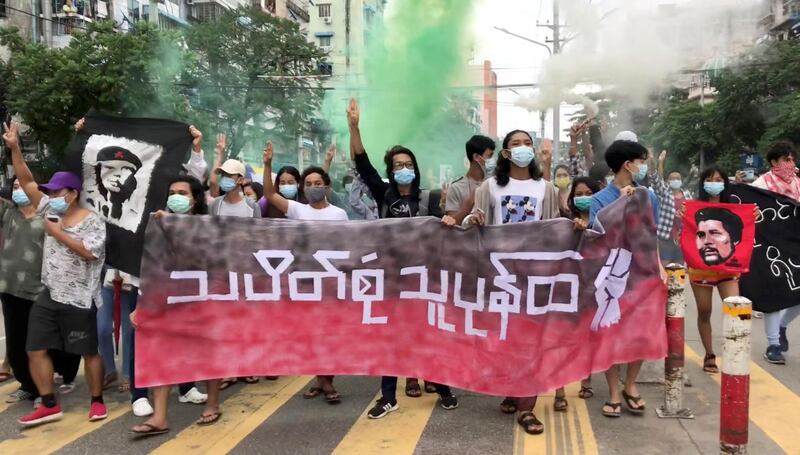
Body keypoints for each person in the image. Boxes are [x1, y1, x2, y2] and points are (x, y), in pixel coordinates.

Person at [347, 98, 457, 418]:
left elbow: (444, 234)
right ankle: (388, 396)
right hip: (393, 280)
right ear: (391, 172)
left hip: (425, 281)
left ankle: (444, 388)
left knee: (430, 334)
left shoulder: (431, 197)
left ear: (416, 168)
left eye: (408, 164)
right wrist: (354, 127)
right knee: (392, 338)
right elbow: (363, 164)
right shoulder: (384, 195)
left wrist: (450, 220)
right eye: (397, 166)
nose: (403, 169)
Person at [4, 120, 108, 426]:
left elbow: (90, 252)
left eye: (56, 190)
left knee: (89, 353)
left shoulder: (92, 220)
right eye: (48, 190)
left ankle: (97, 400)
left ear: (72, 194)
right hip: (48, 295)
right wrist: (15, 148)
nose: (49, 194)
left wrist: (58, 232)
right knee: (34, 348)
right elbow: (26, 180)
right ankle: (49, 402)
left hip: (79, 299)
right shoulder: (49, 207)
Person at [465, 129, 560, 435]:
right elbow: (474, 222)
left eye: (527, 144)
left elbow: (554, 229)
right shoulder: (489, 187)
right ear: (505, 153)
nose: (523, 148)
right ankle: (512, 389)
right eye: (515, 144)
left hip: (534, 276)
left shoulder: (546, 189)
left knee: (530, 340)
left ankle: (527, 409)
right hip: (499, 276)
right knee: (505, 339)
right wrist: (471, 221)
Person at [131, 174, 219, 436]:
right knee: (162, 354)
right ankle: (159, 417)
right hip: (168, 302)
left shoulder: (209, 226)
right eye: (172, 192)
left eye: (182, 193)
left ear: (195, 199)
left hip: (204, 300)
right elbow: (152, 268)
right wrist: (141, 305)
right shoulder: (157, 225)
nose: (176, 197)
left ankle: (213, 403)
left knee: (209, 355)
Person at [589, 139, 659, 419]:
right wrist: (620, 204)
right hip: (612, 276)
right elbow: (597, 238)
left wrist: (659, 266)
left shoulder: (648, 196)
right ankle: (613, 391)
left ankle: (630, 385)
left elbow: (650, 233)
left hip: (641, 272)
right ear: (628, 165)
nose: (644, 166)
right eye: (641, 161)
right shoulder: (599, 199)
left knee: (640, 331)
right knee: (610, 331)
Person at [684, 166, 745, 373]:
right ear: (702, 184)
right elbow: (683, 233)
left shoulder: (735, 206)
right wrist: (681, 216)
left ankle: (734, 352)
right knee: (704, 311)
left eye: (718, 179)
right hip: (701, 270)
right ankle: (709, 354)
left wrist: (755, 214)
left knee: (735, 310)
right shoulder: (691, 208)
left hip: (728, 270)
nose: (714, 183)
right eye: (709, 179)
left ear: (725, 183)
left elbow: (750, 227)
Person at [751, 141, 800, 364]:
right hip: (769, 247)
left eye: (792, 160)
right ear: (773, 162)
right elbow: (749, 209)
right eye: (785, 159)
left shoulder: (798, 185)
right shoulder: (761, 184)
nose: (790, 164)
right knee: (773, 295)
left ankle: (782, 326)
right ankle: (773, 345)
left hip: (794, 246)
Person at [0, 173, 46, 405]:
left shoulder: (46, 216)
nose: (18, 190)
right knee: (16, 344)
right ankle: (27, 385)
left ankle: (43, 389)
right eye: (14, 186)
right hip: (9, 288)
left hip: (38, 290)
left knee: (36, 344)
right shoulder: (8, 213)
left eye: (22, 185)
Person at [567, 176, 601, 399]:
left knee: (591, 333)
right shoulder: (565, 221)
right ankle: (560, 386)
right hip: (571, 285)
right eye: (578, 194)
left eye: (589, 193)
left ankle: (586, 380)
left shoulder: (604, 221)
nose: (583, 198)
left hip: (597, 284)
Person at [442, 134, 496, 226]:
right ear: (476, 157)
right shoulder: (456, 188)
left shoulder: (495, 183)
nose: (493, 160)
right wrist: (469, 203)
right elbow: (451, 225)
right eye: (489, 156)